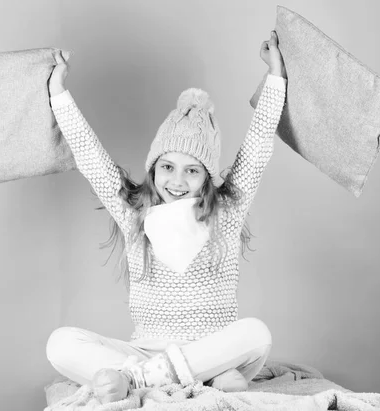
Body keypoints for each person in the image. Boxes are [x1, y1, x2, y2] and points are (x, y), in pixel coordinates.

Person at [45, 31, 287, 404]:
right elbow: (90, 157)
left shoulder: (227, 211)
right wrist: (58, 91)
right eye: (168, 167)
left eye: (193, 171)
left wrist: (276, 76)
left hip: (214, 351)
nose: (177, 180)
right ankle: (189, 380)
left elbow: (257, 148)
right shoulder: (134, 213)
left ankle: (144, 381)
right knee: (59, 344)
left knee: (256, 334)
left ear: (207, 176)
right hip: (145, 352)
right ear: (154, 168)